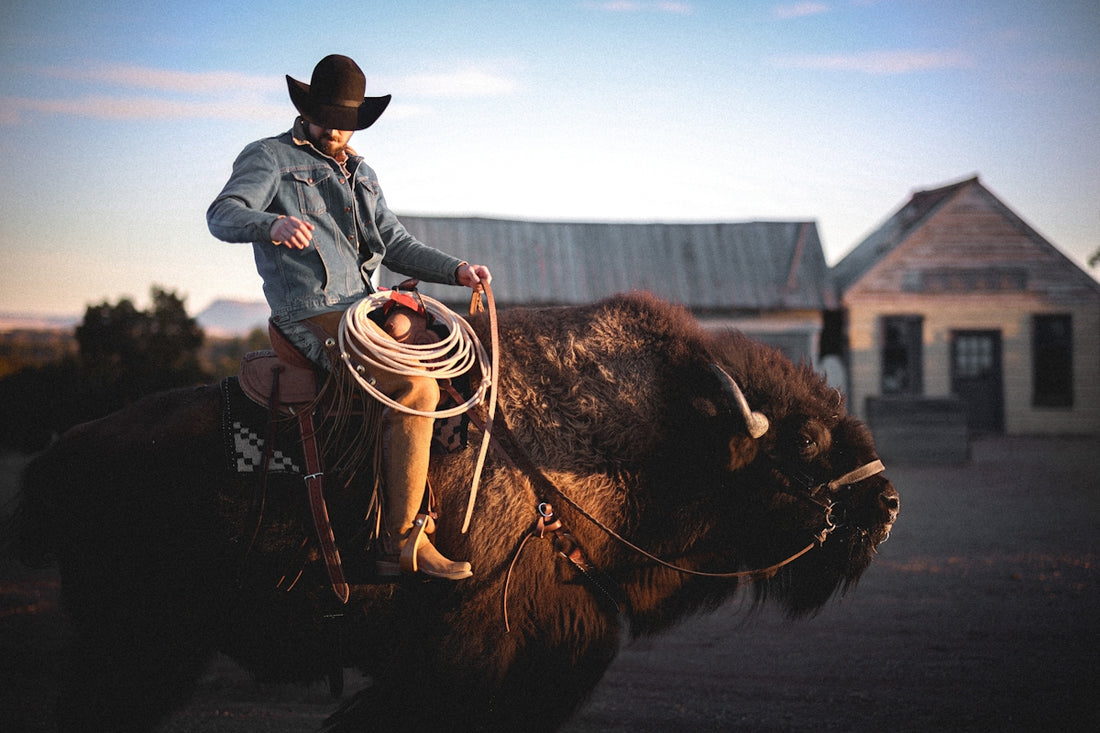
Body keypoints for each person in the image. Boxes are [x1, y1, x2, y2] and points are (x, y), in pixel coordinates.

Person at [207, 54, 491, 581]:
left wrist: (457, 270)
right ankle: (400, 542)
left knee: (462, 364)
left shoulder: (363, 172)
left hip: (364, 309)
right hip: (310, 313)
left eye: (349, 120)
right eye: (329, 117)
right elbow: (222, 214)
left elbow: (396, 244)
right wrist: (270, 224)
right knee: (414, 388)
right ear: (308, 109)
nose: (338, 129)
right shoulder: (269, 157)